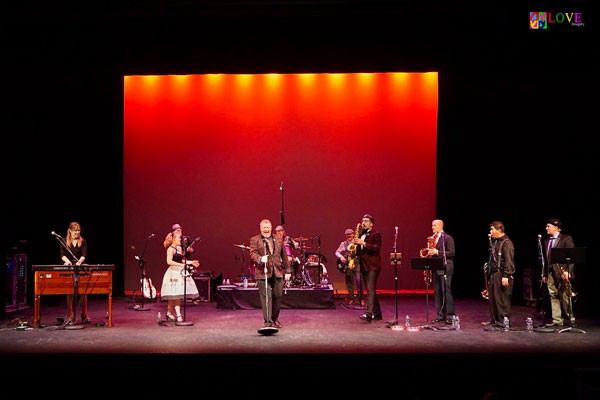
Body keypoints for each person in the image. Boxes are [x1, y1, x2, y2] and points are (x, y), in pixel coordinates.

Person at [249, 219, 290, 328]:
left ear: (271, 228)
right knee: (266, 296)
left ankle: (275, 319)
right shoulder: (255, 240)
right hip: (263, 272)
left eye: (268, 227)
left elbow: (284, 256)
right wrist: (260, 259)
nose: (266, 230)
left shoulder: (278, 238)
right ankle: (268, 322)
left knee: (278, 295)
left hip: (277, 271)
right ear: (260, 228)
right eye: (264, 228)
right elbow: (253, 253)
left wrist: (288, 271)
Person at [543, 218, 576, 327]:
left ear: (556, 227)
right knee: (553, 295)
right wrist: (544, 274)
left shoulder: (566, 239)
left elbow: (572, 257)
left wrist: (568, 271)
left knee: (565, 295)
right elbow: (546, 259)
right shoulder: (546, 241)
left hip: (562, 272)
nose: (546, 228)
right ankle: (557, 320)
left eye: (548, 226)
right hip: (551, 273)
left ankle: (570, 318)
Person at [482, 221, 515, 330]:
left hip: (502, 274)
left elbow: (509, 261)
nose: (491, 232)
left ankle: (503, 322)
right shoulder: (495, 242)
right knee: (493, 299)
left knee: (501, 299)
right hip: (494, 274)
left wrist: (506, 275)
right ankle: (494, 320)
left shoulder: (507, 243)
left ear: (499, 230)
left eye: (492, 229)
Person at [160, 230, 200, 322]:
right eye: (178, 238)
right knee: (174, 294)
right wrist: (182, 266)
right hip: (173, 273)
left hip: (179, 271)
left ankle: (169, 313)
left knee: (176, 294)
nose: (180, 240)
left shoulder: (178, 248)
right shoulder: (170, 249)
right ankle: (177, 314)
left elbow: (180, 260)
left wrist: (191, 262)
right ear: (173, 239)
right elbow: (169, 261)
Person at [426, 219, 456, 324]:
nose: (432, 227)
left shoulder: (447, 238)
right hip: (435, 268)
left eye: (434, 225)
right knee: (437, 293)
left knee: (446, 292)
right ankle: (440, 315)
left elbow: (451, 253)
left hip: (445, 268)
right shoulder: (432, 239)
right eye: (432, 225)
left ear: (440, 226)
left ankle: (450, 316)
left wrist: (437, 252)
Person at [354, 214, 382, 322]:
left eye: (366, 221)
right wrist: (355, 247)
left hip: (373, 265)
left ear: (371, 224)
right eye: (362, 220)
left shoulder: (376, 234)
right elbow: (360, 251)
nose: (363, 223)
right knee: (371, 290)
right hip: (364, 265)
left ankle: (368, 313)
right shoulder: (362, 234)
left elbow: (376, 248)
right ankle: (378, 314)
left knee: (370, 290)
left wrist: (363, 243)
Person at [60, 222, 89, 323]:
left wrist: (79, 262)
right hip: (70, 268)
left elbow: (84, 254)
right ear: (70, 231)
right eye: (75, 230)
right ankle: (70, 314)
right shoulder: (64, 241)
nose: (77, 232)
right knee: (70, 292)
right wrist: (66, 261)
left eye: (78, 230)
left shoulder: (83, 241)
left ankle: (85, 314)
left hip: (79, 267)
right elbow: (62, 254)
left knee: (83, 292)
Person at [335, 228, 364, 306]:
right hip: (348, 263)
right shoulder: (343, 244)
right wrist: (341, 257)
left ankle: (361, 299)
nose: (348, 236)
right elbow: (337, 252)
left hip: (356, 262)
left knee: (358, 281)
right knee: (349, 282)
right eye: (347, 235)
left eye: (350, 234)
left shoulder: (357, 242)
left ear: (353, 234)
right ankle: (352, 298)